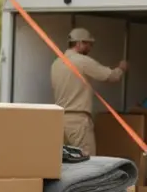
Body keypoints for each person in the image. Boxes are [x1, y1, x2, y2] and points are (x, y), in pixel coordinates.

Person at [49, 27, 127, 156]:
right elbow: (111, 76)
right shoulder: (82, 61)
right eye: (88, 44)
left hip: (60, 120)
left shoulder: (56, 63)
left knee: (64, 162)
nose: (90, 48)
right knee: (87, 162)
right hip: (78, 121)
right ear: (79, 43)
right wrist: (121, 68)